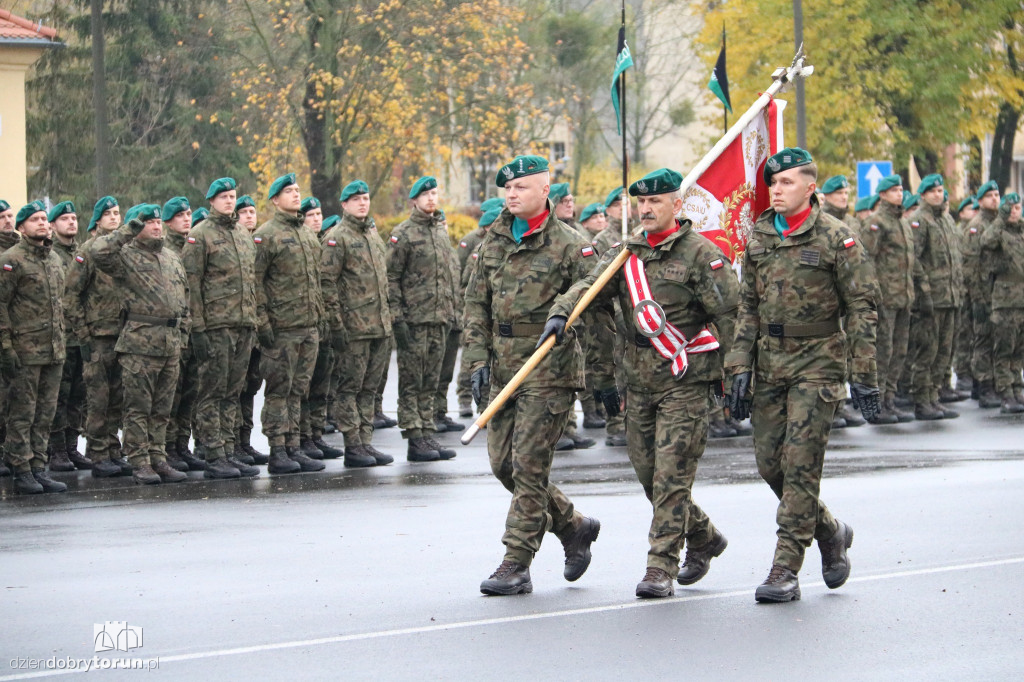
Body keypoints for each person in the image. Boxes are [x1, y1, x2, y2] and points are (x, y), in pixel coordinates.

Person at [548, 168, 738, 598]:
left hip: (685, 378)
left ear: (677, 204)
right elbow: (590, 286)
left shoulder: (701, 254)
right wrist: (563, 310)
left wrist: (738, 374)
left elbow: (731, 317)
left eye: (655, 201)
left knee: (671, 476)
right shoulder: (624, 254)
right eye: (641, 202)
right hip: (638, 381)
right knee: (649, 475)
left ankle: (660, 566)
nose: (646, 209)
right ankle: (704, 536)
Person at [727, 148, 879, 603]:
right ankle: (829, 531)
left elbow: (861, 308)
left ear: (811, 187)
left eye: (786, 182)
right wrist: (739, 364)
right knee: (770, 465)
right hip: (771, 363)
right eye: (772, 183)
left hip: (819, 362)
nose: (776, 190)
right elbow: (747, 307)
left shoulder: (837, 238)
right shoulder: (759, 237)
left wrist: (864, 373)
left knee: (799, 465)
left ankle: (785, 568)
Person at [463, 154, 601, 595]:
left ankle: (516, 562)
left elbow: (594, 293)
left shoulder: (570, 243)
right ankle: (573, 525)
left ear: (545, 189)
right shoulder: (494, 241)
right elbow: (475, 304)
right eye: (507, 188)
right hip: (504, 366)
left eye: (521, 186)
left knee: (528, 466)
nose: (512, 194)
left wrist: (566, 310)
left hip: (548, 367)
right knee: (503, 464)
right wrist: (477, 360)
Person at [91, 204, 190, 485]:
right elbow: (99, 252)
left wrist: (184, 332)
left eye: (158, 222)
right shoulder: (125, 255)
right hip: (140, 343)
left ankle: (158, 457)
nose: (157, 226)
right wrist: (128, 230)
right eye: (149, 222)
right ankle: (139, 461)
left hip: (170, 342)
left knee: (162, 409)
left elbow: (184, 296)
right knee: (138, 408)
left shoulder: (170, 256)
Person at [182, 178, 261, 479]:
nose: (229, 201)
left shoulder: (242, 234)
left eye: (232, 196)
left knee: (233, 392)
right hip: (216, 326)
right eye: (224, 197)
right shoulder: (200, 235)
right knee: (212, 392)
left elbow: (250, 281)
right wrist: (197, 328)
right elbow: (192, 284)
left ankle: (229, 450)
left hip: (243, 324)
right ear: (212, 201)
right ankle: (213, 453)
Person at [252, 173, 325, 475]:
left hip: (308, 326)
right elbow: (255, 283)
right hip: (281, 328)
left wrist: (320, 317)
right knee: (279, 391)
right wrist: (262, 323)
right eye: (288, 191)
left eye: (297, 190)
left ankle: (294, 445)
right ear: (274, 200)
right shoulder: (266, 235)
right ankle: (277, 449)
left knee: (298, 390)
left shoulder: (307, 234)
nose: (296, 195)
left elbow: (316, 281)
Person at [320, 180, 393, 467]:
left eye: (365, 198)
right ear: (344, 204)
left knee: (369, 389)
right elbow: (327, 284)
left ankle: (365, 441)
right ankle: (352, 444)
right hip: (353, 329)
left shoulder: (372, 235)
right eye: (356, 199)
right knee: (349, 388)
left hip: (378, 326)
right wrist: (336, 326)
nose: (362, 203)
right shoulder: (337, 237)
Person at [385, 175, 458, 462]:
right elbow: (391, 278)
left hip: (439, 318)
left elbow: (447, 275)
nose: (431, 199)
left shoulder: (440, 231)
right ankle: (414, 437)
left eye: (434, 194)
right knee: (412, 381)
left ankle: (427, 431)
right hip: (414, 320)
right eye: (425, 194)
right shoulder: (403, 233)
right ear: (414, 200)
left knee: (431, 379)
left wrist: (450, 312)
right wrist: (397, 318)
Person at [0, 201, 68, 494]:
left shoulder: (53, 259)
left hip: (53, 350)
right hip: (24, 351)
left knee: (45, 413)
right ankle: (21, 469)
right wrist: (6, 348)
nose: (42, 223)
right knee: (22, 413)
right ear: (22, 228)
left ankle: (39, 467)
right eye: (34, 219)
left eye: (44, 219)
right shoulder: (11, 260)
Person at [65, 196, 130, 478]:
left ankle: (113, 450)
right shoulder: (89, 251)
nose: (114, 218)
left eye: (117, 213)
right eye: (108, 214)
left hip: (123, 335)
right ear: (98, 220)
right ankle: (98, 452)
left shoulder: (126, 250)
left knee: (118, 398)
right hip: (97, 337)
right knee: (98, 399)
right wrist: (83, 336)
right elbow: (71, 296)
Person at [861, 174, 917, 424]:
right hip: (885, 297)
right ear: (882, 195)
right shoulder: (876, 222)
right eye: (894, 190)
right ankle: (877, 403)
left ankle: (890, 399)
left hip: (903, 296)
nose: (899, 194)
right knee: (883, 351)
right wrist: (873, 293)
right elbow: (866, 259)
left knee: (900, 350)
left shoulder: (903, 223)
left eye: (901, 190)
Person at [907, 174, 963, 419]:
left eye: (940, 191)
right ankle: (921, 400)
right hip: (931, 298)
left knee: (944, 350)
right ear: (923, 195)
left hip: (950, 296)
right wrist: (924, 292)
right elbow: (914, 259)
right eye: (933, 191)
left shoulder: (947, 220)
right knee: (927, 350)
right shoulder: (919, 220)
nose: (938, 195)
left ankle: (934, 396)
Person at [46, 201, 91, 472]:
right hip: (60, 338)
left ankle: (72, 447)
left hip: (81, 336)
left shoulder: (82, 253)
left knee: (78, 395)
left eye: (74, 218)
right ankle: (57, 451)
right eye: (65, 219)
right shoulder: (49, 254)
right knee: (59, 396)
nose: (72, 222)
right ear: (53, 225)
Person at [160, 196, 203, 472]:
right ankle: (168, 448)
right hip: (174, 331)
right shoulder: (164, 250)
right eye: (180, 215)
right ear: (167, 222)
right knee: (172, 394)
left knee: (190, 392)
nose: (186, 219)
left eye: (188, 214)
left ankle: (182, 445)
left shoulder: (194, 246)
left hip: (195, 327)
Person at [454, 200, 503, 416]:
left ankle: (486, 406)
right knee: (473, 357)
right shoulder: (474, 245)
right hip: (478, 311)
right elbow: (464, 280)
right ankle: (465, 397)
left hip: (497, 313)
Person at [980, 193, 1024, 412]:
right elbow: (986, 241)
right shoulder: (998, 231)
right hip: (1005, 301)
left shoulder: (1022, 232)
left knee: (1019, 349)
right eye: (1010, 208)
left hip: (1022, 300)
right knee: (1004, 349)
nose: (1014, 212)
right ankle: (1005, 393)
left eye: (1017, 208)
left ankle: (1017, 388)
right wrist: (1001, 218)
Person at [233, 194, 268, 462]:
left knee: (251, 387)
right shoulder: (235, 244)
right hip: (237, 327)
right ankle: (232, 442)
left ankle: (244, 441)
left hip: (256, 328)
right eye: (243, 212)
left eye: (252, 212)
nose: (249, 216)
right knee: (235, 387)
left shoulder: (257, 244)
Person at [965, 181, 1003, 408]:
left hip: (999, 293)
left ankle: (988, 384)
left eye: (997, 195)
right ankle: (984, 386)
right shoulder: (977, 225)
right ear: (980, 201)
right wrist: (977, 295)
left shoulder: (999, 224)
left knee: (996, 339)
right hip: (982, 292)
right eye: (990, 196)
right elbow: (970, 263)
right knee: (983, 340)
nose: (995, 199)